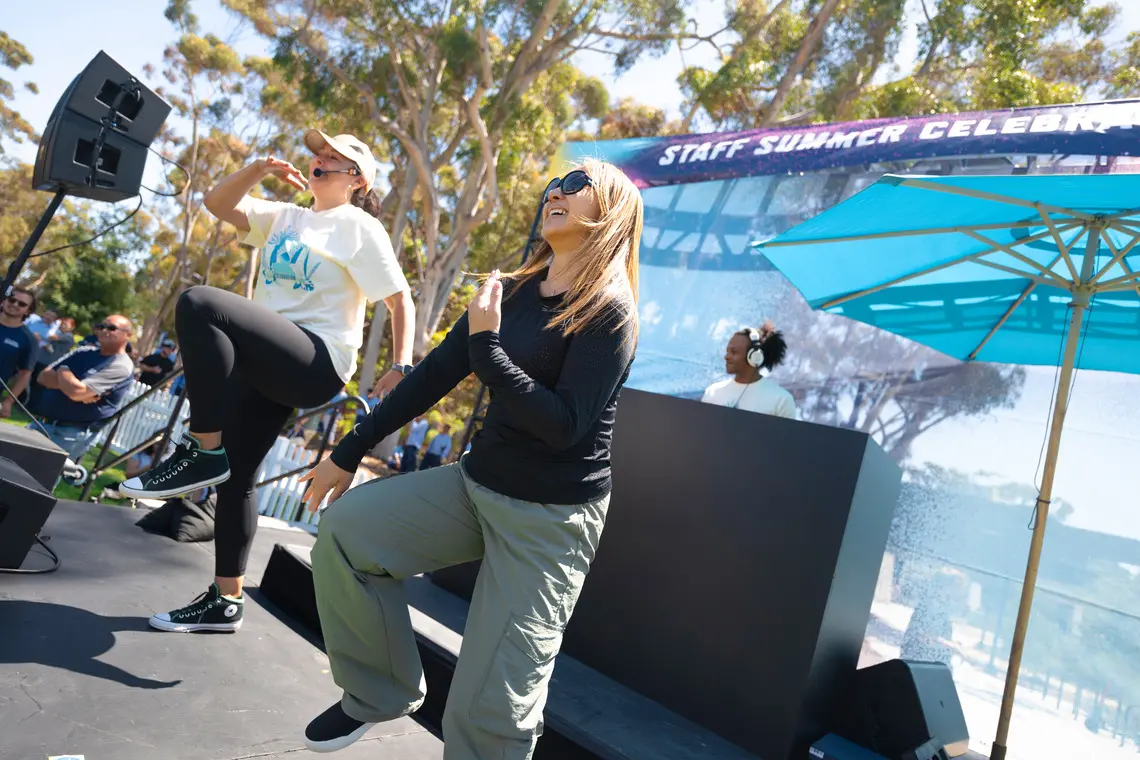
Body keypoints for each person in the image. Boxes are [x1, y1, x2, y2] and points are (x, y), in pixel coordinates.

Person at [295, 158, 642, 759]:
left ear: (610, 207)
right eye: (554, 183)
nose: (556, 191)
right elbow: (430, 377)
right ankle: (377, 694)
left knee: (491, 711)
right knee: (347, 534)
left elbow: (563, 427)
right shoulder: (508, 292)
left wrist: (488, 345)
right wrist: (346, 453)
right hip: (474, 485)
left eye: (576, 185)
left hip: (549, 523)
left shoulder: (610, 310)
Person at [119, 130, 416, 635]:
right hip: (267, 361)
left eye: (336, 158)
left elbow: (399, 299)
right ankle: (226, 599)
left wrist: (403, 364)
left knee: (199, 302)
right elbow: (217, 203)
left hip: (315, 359)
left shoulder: (360, 227)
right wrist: (258, 168)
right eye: (319, 153)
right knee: (236, 481)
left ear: (357, 179)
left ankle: (201, 450)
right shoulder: (285, 215)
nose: (321, 160)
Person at [30, 314, 135, 461]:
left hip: (70, 433)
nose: (104, 330)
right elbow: (43, 377)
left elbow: (76, 392)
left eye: (111, 328)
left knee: (37, 481)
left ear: (128, 335)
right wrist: (70, 379)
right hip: (41, 422)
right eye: (101, 326)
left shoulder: (121, 365)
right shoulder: (84, 351)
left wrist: (62, 371)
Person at [701, 323, 797, 419]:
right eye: (727, 351)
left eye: (734, 352)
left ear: (755, 357)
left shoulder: (781, 400)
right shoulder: (712, 392)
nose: (726, 356)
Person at [0, 288, 40, 417]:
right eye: (12, 300)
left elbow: (25, 375)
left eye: (21, 304)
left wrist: (8, 402)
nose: (15, 305)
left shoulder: (28, 339)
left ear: (28, 310)